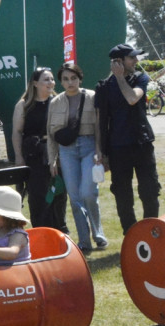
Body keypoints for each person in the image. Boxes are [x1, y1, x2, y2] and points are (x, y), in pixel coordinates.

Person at [95, 43, 159, 233]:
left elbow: (132, 98)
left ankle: (152, 233)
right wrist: (100, 151)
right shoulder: (104, 87)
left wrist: (121, 78)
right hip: (117, 148)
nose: (136, 61)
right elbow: (100, 122)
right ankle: (131, 235)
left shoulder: (141, 78)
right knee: (123, 195)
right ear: (118, 62)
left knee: (149, 191)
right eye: (132, 58)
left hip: (142, 144)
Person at [48, 62, 107, 252]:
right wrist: (52, 159)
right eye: (65, 79)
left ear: (80, 78)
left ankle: (98, 233)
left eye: (73, 78)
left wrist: (99, 150)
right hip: (67, 150)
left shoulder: (92, 97)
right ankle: (84, 240)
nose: (70, 82)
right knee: (74, 196)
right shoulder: (55, 102)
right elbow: (51, 134)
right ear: (61, 82)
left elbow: (99, 126)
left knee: (88, 192)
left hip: (89, 145)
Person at [11, 67, 67, 231]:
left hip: (57, 152)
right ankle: (41, 230)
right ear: (35, 83)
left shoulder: (58, 102)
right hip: (34, 154)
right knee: (38, 194)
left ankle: (60, 229)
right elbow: (17, 132)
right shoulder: (24, 105)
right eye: (46, 79)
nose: (51, 83)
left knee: (58, 191)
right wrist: (19, 157)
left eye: (52, 79)